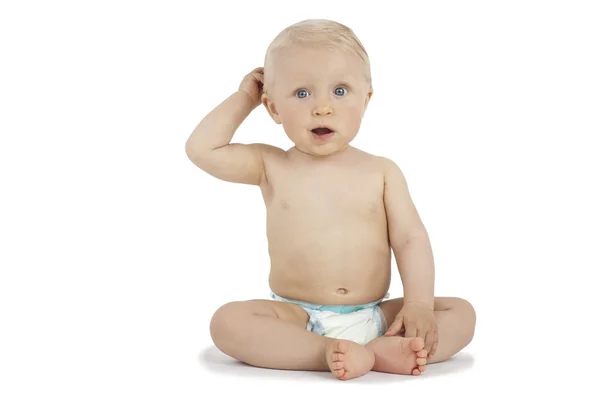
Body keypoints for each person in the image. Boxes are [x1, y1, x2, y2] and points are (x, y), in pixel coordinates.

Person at [186, 19, 476, 380]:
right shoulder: (270, 164)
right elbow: (202, 149)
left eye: (340, 91)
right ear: (273, 108)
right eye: (302, 94)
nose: (322, 107)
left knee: (460, 313)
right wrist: (244, 98)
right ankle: (326, 353)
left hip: (376, 315)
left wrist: (418, 306)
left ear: (365, 100)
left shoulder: (382, 171)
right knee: (227, 322)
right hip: (297, 318)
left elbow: (409, 238)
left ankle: (377, 349)